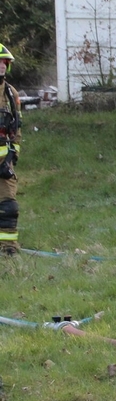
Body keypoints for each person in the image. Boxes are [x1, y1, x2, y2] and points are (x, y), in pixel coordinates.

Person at [0, 44, 22, 256]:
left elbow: (17, 127)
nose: (2, 66)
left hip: (3, 161)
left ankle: (8, 249)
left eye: (5, 62)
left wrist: (13, 155)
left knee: (8, 208)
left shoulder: (10, 93)